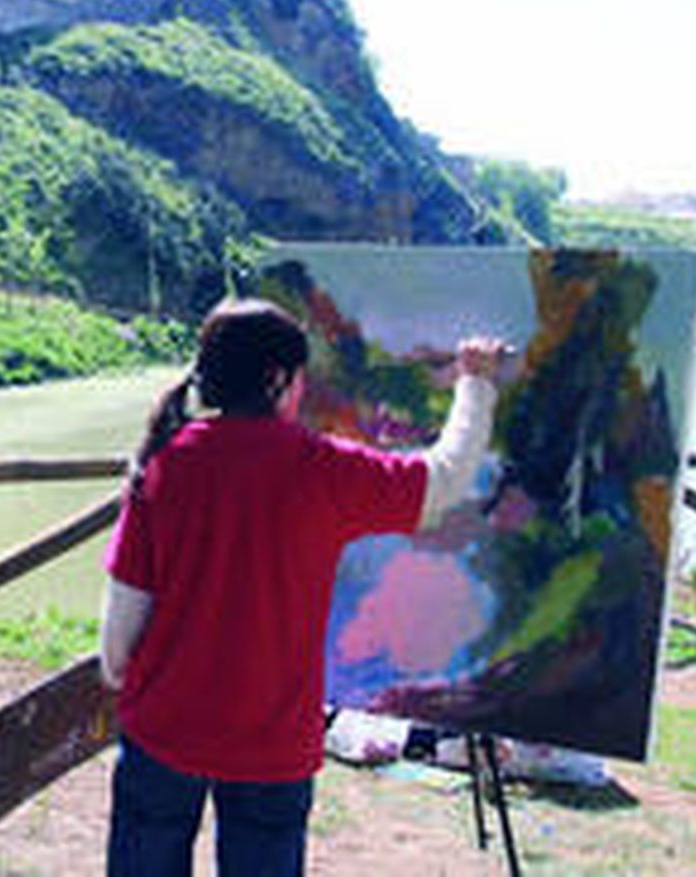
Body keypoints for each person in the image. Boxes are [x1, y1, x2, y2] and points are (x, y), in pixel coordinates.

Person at [99, 297, 504, 876]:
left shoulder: (165, 460)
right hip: (272, 743)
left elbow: (123, 613)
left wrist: (124, 678)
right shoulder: (320, 467)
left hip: (162, 727)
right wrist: (476, 384)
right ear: (276, 379)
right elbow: (444, 480)